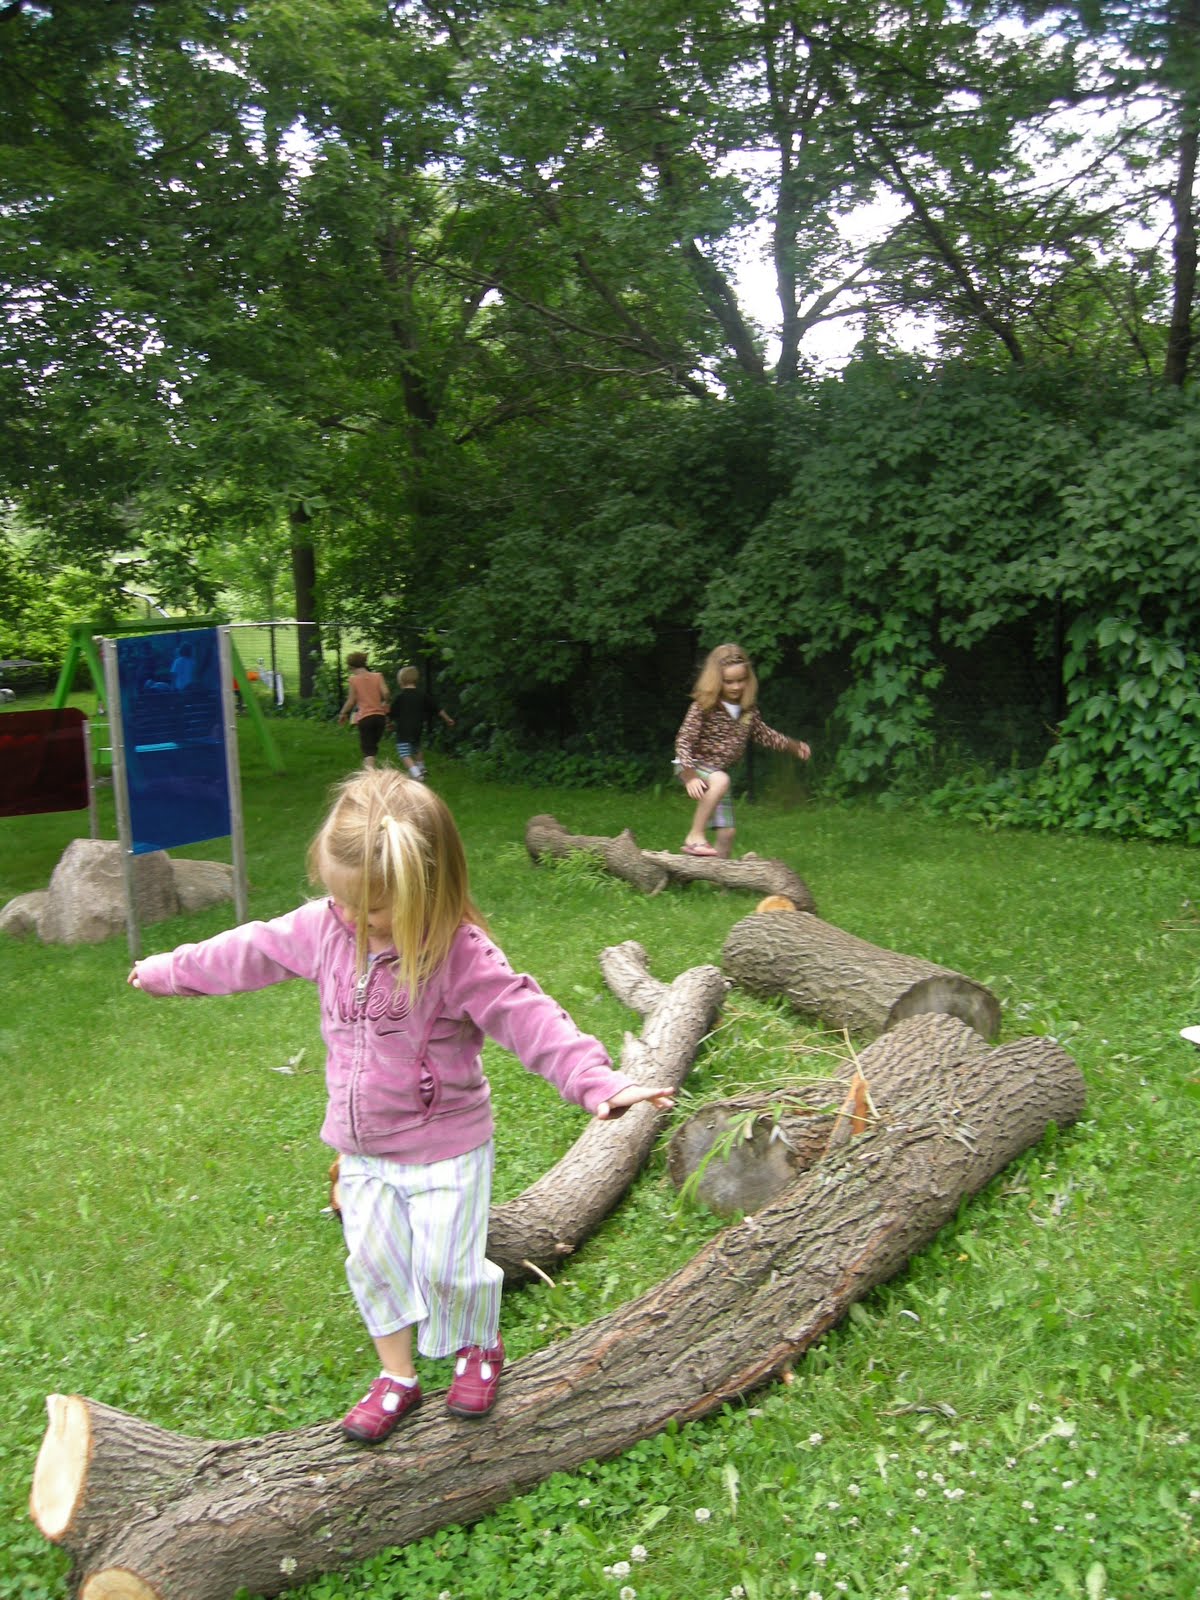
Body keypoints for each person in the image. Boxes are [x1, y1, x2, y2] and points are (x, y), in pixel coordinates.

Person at [127, 768, 673, 1445]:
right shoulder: (326, 928)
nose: (355, 920)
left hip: (447, 1147)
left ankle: (477, 1345)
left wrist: (598, 1081)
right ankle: (398, 1377)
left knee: (449, 1266)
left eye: (376, 909)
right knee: (375, 1264)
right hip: (361, 1151)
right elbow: (250, 949)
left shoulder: (458, 955)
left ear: (431, 891)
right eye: (342, 901)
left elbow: (527, 1015)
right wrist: (169, 970)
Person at [674, 642, 811, 858]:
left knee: (727, 833)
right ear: (716, 680)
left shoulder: (747, 710)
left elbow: (764, 735)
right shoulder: (704, 706)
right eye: (729, 682)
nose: (736, 687)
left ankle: (721, 884)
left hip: (716, 773)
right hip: (691, 764)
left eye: (741, 680)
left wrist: (793, 746)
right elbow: (683, 740)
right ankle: (694, 835)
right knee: (721, 780)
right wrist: (690, 775)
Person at [389, 664, 454, 782]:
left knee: (404, 753)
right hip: (417, 728)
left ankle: (416, 774)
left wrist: (388, 723)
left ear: (401, 681)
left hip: (403, 729)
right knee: (416, 748)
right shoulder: (422, 695)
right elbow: (437, 708)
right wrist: (447, 719)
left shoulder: (400, 697)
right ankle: (422, 767)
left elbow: (391, 713)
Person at [338, 652, 390, 769]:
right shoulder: (378, 676)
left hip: (365, 718)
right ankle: (367, 768)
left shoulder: (353, 680)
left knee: (368, 751)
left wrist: (343, 713)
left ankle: (369, 776)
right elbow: (386, 692)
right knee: (373, 747)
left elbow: (351, 701)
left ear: (351, 667)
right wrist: (385, 702)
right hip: (380, 718)